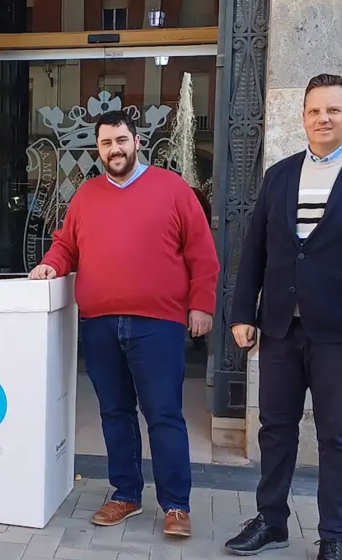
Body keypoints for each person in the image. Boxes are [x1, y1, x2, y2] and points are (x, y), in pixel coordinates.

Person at [224, 74, 342, 560]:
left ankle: (333, 537)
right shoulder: (279, 175)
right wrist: (244, 312)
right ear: (302, 116)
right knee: (275, 429)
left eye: (332, 110)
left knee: (337, 437)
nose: (322, 119)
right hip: (282, 328)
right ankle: (272, 521)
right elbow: (256, 249)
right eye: (313, 111)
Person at [29, 110, 219, 537]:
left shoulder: (173, 190)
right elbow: (65, 245)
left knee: (164, 414)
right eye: (106, 144)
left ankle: (175, 505)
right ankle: (125, 495)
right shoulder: (87, 196)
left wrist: (201, 305)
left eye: (121, 140)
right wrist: (49, 265)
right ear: (98, 149)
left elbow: (202, 252)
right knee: (114, 413)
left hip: (158, 325)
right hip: (99, 325)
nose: (114, 149)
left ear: (137, 142)